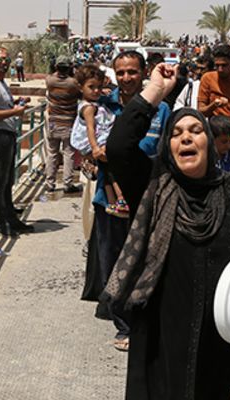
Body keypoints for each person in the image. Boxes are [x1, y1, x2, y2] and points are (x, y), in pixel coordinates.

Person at [101, 62, 230, 400]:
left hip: (219, 339)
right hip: (161, 335)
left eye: (195, 131)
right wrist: (155, 91)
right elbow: (118, 148)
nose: (186, 137)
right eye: (177, 133)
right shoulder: (153, 186)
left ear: (209, 143)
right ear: (168, 147)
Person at [84, 50, 171, 350]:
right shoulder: (100, 106)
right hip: (108, 198)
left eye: (132, 71)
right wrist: (94, 153)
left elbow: (163, 149)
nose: (126, 78)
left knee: (146, 259)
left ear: (144, 72)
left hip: (146, 195)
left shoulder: (160, 109)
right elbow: (82, 140)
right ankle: (124, 324)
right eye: (120, 72)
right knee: (113, 260)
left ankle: (145, 320)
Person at [0, 46, 33, 237]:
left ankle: (10, 216)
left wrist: (16, 103)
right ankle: (0, 221)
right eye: (0, 59)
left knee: (8, 179)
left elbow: (1, 106)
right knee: (0, 181)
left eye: (6, 60)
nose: (4, 63)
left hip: (8, 134)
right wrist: (15, 112)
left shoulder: (2, 82)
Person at [71, 63, 127, 218]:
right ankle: (121, 198)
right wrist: (95, 147)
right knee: (111, 170)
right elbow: (91, 128)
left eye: (99, 87)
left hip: (98, 141)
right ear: (81, 87)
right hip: (96, 142)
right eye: (91, 87)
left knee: (105, 171)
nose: (96, 91)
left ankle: (111, 201)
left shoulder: (95, 102)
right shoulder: (88, 108)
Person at [44, 56, 82, 194]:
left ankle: (50, 183)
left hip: (53, 122)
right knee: (68, 154)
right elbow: (81, 94)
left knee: (52, 154)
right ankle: (67, 184)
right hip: (68, 123)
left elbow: (52, 75)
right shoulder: (73, 83)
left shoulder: (49, 80)